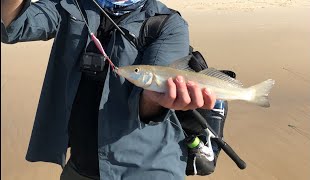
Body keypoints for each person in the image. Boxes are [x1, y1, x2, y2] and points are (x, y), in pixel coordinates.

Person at [1, 0, 217, 179]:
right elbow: (14, 26)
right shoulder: (69, 5)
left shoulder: (168, 24)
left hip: (148, 169)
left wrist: (154, 99)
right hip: (80, 168)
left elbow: (147, 106)